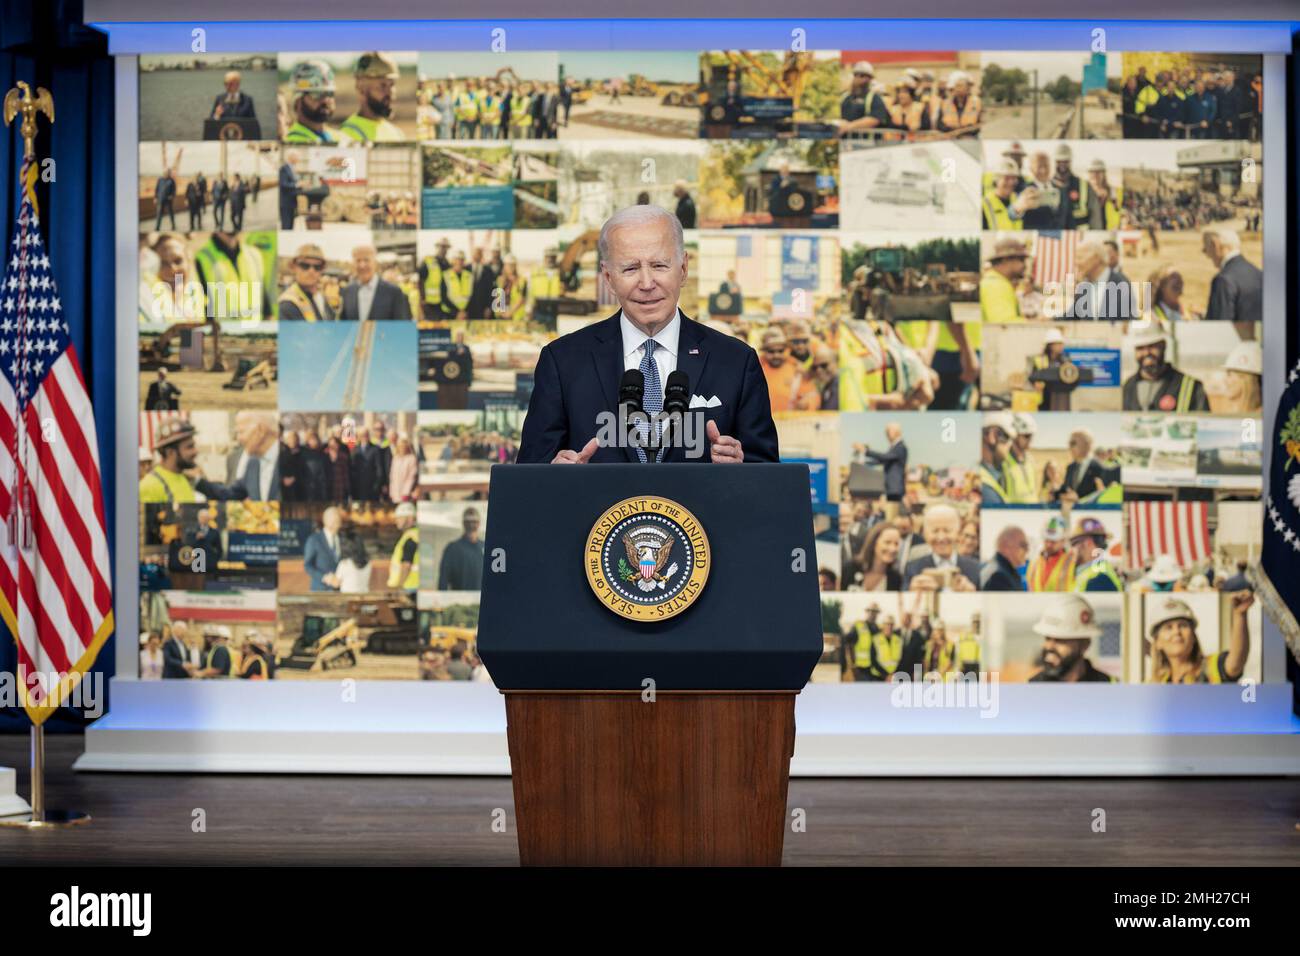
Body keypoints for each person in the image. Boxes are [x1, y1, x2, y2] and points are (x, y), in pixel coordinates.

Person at [516, 205, 778, 464]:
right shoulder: (563, 362)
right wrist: (554, 477)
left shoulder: (736, 361)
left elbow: (768, 482)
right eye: (630, 269)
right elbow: (528, 481)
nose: (647, 283)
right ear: (608, 278)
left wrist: (740, 470)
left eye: (659, 265)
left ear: (683, 269)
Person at [1147, 592, 1252, 683]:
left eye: (1183, 625)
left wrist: (1240, 614)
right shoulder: (1154, 686)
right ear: (1157, 643)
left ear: (1193, 637)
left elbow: (1236, 662)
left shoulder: (1213, 667)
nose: (1176, 632)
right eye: (1168, 628)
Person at [1028, 594, 1116, 682]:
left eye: (1060, 639)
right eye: (1047, 638)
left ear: (1085, 645)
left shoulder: (1108, 685)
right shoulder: (1033, 687)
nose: (1049, 646)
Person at [1121, 328, 1209, 413]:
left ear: (1163, 345)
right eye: (1140, 348)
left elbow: (1205, 425)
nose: (1146, 352)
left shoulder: (1193, 388)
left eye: (1152, 346)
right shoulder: (1128, 387)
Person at [902, 504, 978, 591]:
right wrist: (911, 592)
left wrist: (973, 595)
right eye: (935, 531)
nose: (941, 537)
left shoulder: (975, 569)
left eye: (947, 530)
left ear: (958, 532)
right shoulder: (913, 569)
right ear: (925, 534)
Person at [339, 52, 405, 143]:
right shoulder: (348, 134)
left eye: (392, 84)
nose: (390, 92)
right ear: (361, 87)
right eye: (383, 85)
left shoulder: (398, 133)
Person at [1202, 228, 1262, 323]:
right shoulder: (1258, 273)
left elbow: (1219, 326)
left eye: (1205, 249)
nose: (1207, 255)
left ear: (1215, 245)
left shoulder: (1223, 280)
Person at [341, 245, 412, 320]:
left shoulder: (394, 292)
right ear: (353, 264)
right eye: (358, 261)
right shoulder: (347, 292)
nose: (362, 265)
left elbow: (402, 327)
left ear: (375, 263)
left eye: (366, 260)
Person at [1071, 240, 1136, 320]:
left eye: (1080, 257)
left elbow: (1120, 322)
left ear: (1096, 259)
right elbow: (1074, 315)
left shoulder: (1120, 283)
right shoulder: (1084, 286)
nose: (1076, 263)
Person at [284, 59, 339, 144]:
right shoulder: (293, 140)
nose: (325, 100)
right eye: (317, 93)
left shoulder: (336, 136)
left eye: (329, 93)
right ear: (298, 100)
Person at [279, 243, 336, 322]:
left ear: (322, 270)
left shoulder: (321, 297)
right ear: (294, 267)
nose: (311, 271)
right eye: (305, 266)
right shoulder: (287, 304)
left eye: (317, 267)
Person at [979, 238, 1029, 323]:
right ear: (1005, 260)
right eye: (1021, 260)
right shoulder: (996, 286)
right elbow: (1005, 325)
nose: (1025, 265)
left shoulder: (995, 282)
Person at [838, 61, 891, 139]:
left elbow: (874, 119)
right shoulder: (845, 97)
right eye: (857, 75)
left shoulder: (874, 98)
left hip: (867, 146)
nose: (861, 79)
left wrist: (849, 126)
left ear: (870, 79)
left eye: (864, 76)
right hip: (846, 143)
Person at [1069, 517, 1121, 592]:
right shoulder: (1092, 573)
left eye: (1074, 544)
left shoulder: (1099, 579)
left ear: (1088, 543)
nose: (1071, 551)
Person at [438, 506, 483, 590]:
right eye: (468, 521)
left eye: (474, 521)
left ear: (479, 523)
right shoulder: (452, 549)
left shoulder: (485, 547)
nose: (471, 524)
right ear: (464, 523)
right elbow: (443, 580)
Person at [859, 422, 907, 501]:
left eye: (888, 432)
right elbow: (883, 461)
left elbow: (884, 457)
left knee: (894, 510)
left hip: (895, 488)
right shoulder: (894, 447)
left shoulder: (900, 447)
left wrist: (866, 451)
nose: (887, 434)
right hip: (891, 488)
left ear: (897, 432)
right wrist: (865, 463)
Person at [1026, 515, 1075, 592]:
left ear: (1063, 541)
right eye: (1046, 540)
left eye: (1053, 541)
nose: (1049, 544)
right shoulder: (1034, 563)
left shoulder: (1072, 562)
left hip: (1062, 603)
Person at [853, 521, 902, 592]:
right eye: (887, 542)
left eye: (896, 544)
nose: (893, 549)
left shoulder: (896, 579)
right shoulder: (850, 569)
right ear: (873, 543)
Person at [304, 506, 344, 591]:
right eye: (335, 521)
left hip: (340, 589)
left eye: (338, 521)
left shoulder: (342, 539)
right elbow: (308, 565)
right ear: (326, 520)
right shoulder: (314, 539)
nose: (338, 524)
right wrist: (324, 577)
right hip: (321, 590)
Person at [979, 412, 1015, 505]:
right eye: (1008, 438)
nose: (1011, 445)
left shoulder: (995, 472)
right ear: (993, 435)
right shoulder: (987, 491)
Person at [981, 525, 1027, 591]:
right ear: (1007, 546)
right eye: (1024, 545)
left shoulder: (996, 569)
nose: (1027, 550)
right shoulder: (999, 578)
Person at [387, 502, 420, 590]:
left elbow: (406, 565)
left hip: (409, 586)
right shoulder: (413, 534)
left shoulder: (411, 537)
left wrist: (400, 587)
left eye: (400, 518)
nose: (397, 521)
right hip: (412, 585)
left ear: (410, 518)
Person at [388, 433, 418, 503]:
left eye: (404, 446)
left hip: (406, 493)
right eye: (400, 446)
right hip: (395, 493)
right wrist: (391, 492)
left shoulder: (412, 458)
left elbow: (411, 477)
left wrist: (406, 492)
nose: (402, 448)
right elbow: (392, 476)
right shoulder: (395, 458)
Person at [154, 168, 177, 232]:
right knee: (159, 214)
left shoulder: (171, 181)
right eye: (166, 172)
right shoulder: (160, 180)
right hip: (161, 199)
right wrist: (155, 197)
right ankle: (157, 227)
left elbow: (174, 190)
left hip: (168, 200)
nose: (167, 173)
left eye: (168, 172)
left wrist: (172, 196)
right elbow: (157, 189)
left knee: (171, 213)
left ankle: (173, 226)